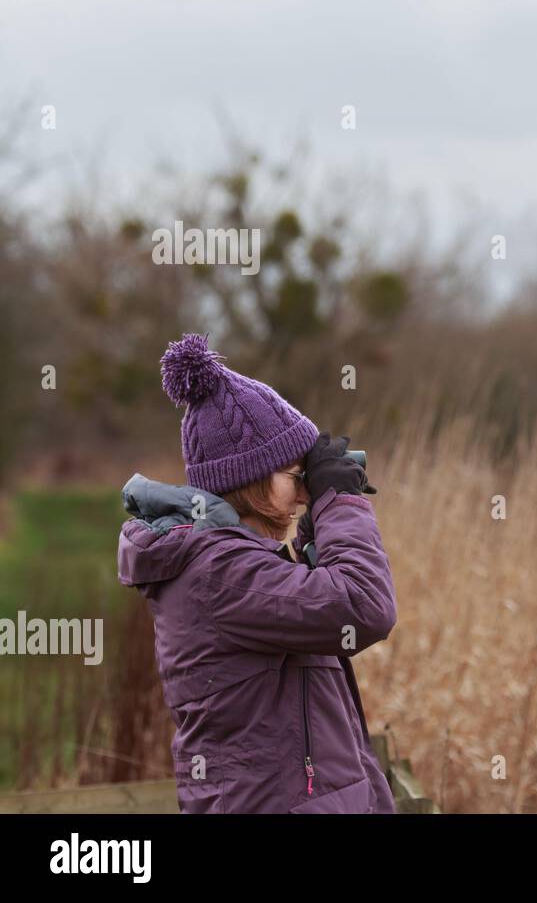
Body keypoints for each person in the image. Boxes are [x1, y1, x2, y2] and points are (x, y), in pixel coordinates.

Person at [116, 332, 397, 813]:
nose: (307, 493)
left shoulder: (231, 566)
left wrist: (315, 536)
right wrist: (341, 501)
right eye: (296, 477)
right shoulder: (217, 571)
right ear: (248, 479)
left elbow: (311, 620)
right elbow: (363, 607)